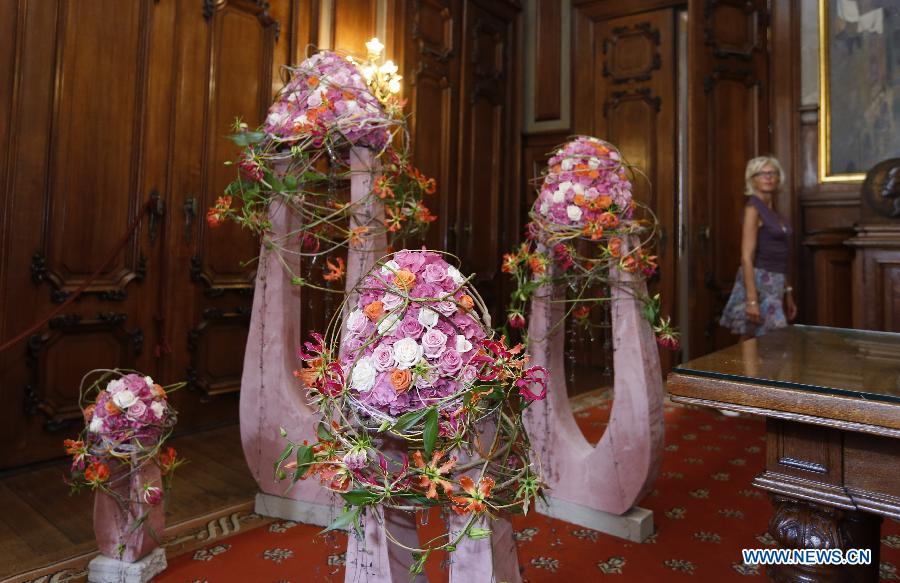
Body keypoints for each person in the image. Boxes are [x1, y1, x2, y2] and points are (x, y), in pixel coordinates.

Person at [719, 156, 797, 340]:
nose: (768, 177)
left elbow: (780, 256)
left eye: (772, 173)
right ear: (753, 179)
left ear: (779, 178)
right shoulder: (753, 209)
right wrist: (752, 300)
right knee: (770, 343)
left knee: (756, 343)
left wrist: (788, 292)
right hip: (759, 282)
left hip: (776, 283)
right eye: (763, 173)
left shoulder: (773, 212)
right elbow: (746, 257)